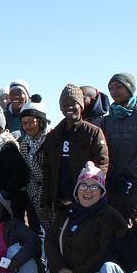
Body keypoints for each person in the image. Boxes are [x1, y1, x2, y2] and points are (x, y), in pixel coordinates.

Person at [44, 162, 126, 273]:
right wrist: (61, 270)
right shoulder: (67, 213)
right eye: (83, 185)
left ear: (102, 192)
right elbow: (50, 240)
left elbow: (106, 252)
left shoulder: (111, 218)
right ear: (76, 190)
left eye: (94, 186)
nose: (87, 191)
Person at [42, 84, 109, 224]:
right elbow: (47, 171)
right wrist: (46, 203)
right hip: (60, 201)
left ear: (81, 106)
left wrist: (91, 192)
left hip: (86, 199)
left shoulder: (93, 133)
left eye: (73, 103)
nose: (69, 107)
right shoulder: (52, 136)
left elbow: (102, 165)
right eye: (65, 104)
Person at [100, 73, 137, 219]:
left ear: (130, 88)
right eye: (111, 88)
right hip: (114, 182)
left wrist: (129, 174)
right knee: (116, 225)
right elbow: (102, 150)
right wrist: (112, 174)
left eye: (118, 86)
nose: (114, 91)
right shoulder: (107, 121)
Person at [18, 100, 51, 253]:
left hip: (53, 191)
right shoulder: (24, 144)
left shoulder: (52, 139)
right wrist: (33, 192)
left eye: (31, 122)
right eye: (24, 123)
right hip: (36, 193)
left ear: (40, 121)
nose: (27, 126)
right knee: (45, 233)